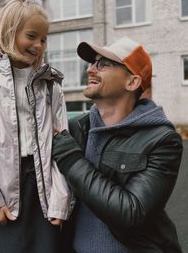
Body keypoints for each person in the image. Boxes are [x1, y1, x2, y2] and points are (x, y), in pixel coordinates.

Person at [0, 0, 73, 253]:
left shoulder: (51, 88)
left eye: (44, 39)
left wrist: (61, 199)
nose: (39, 45)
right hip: (2, 193)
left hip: (42, 193)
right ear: (10, 33)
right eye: (31, 36)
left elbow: (62, 147)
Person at [52, 37, 183, 253]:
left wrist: (72, 160)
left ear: (132, 82)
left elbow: (131, 212)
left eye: (103, 64)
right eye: (92, 63)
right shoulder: (74, 129)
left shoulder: (162, 140)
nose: (90, 70)